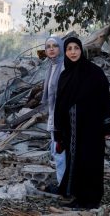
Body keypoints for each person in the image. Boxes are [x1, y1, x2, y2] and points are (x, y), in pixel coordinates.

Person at [54, 37, 110, 209]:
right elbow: (59, 105)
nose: (73, 52)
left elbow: (105, 99)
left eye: (76, 48)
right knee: (75, 161)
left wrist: (108, 125)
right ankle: (79, 197)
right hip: (72, 130)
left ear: (81, 50)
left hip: (92, 129)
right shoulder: (65, 75)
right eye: (69, 49)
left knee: (91, 161)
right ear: (65, 52)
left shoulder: (94, 72)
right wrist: (58, 131)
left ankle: (92, 199)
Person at [41, 36, 66, 194]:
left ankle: (64, 186)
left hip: (62, 119)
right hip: (54, 116)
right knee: (58, 151)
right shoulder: (51, 67)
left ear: (61, 48)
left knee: (60, 151)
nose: (51, 49)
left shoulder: (64, 67)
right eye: (48, 46)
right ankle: (62, 183)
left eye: (55, 46)